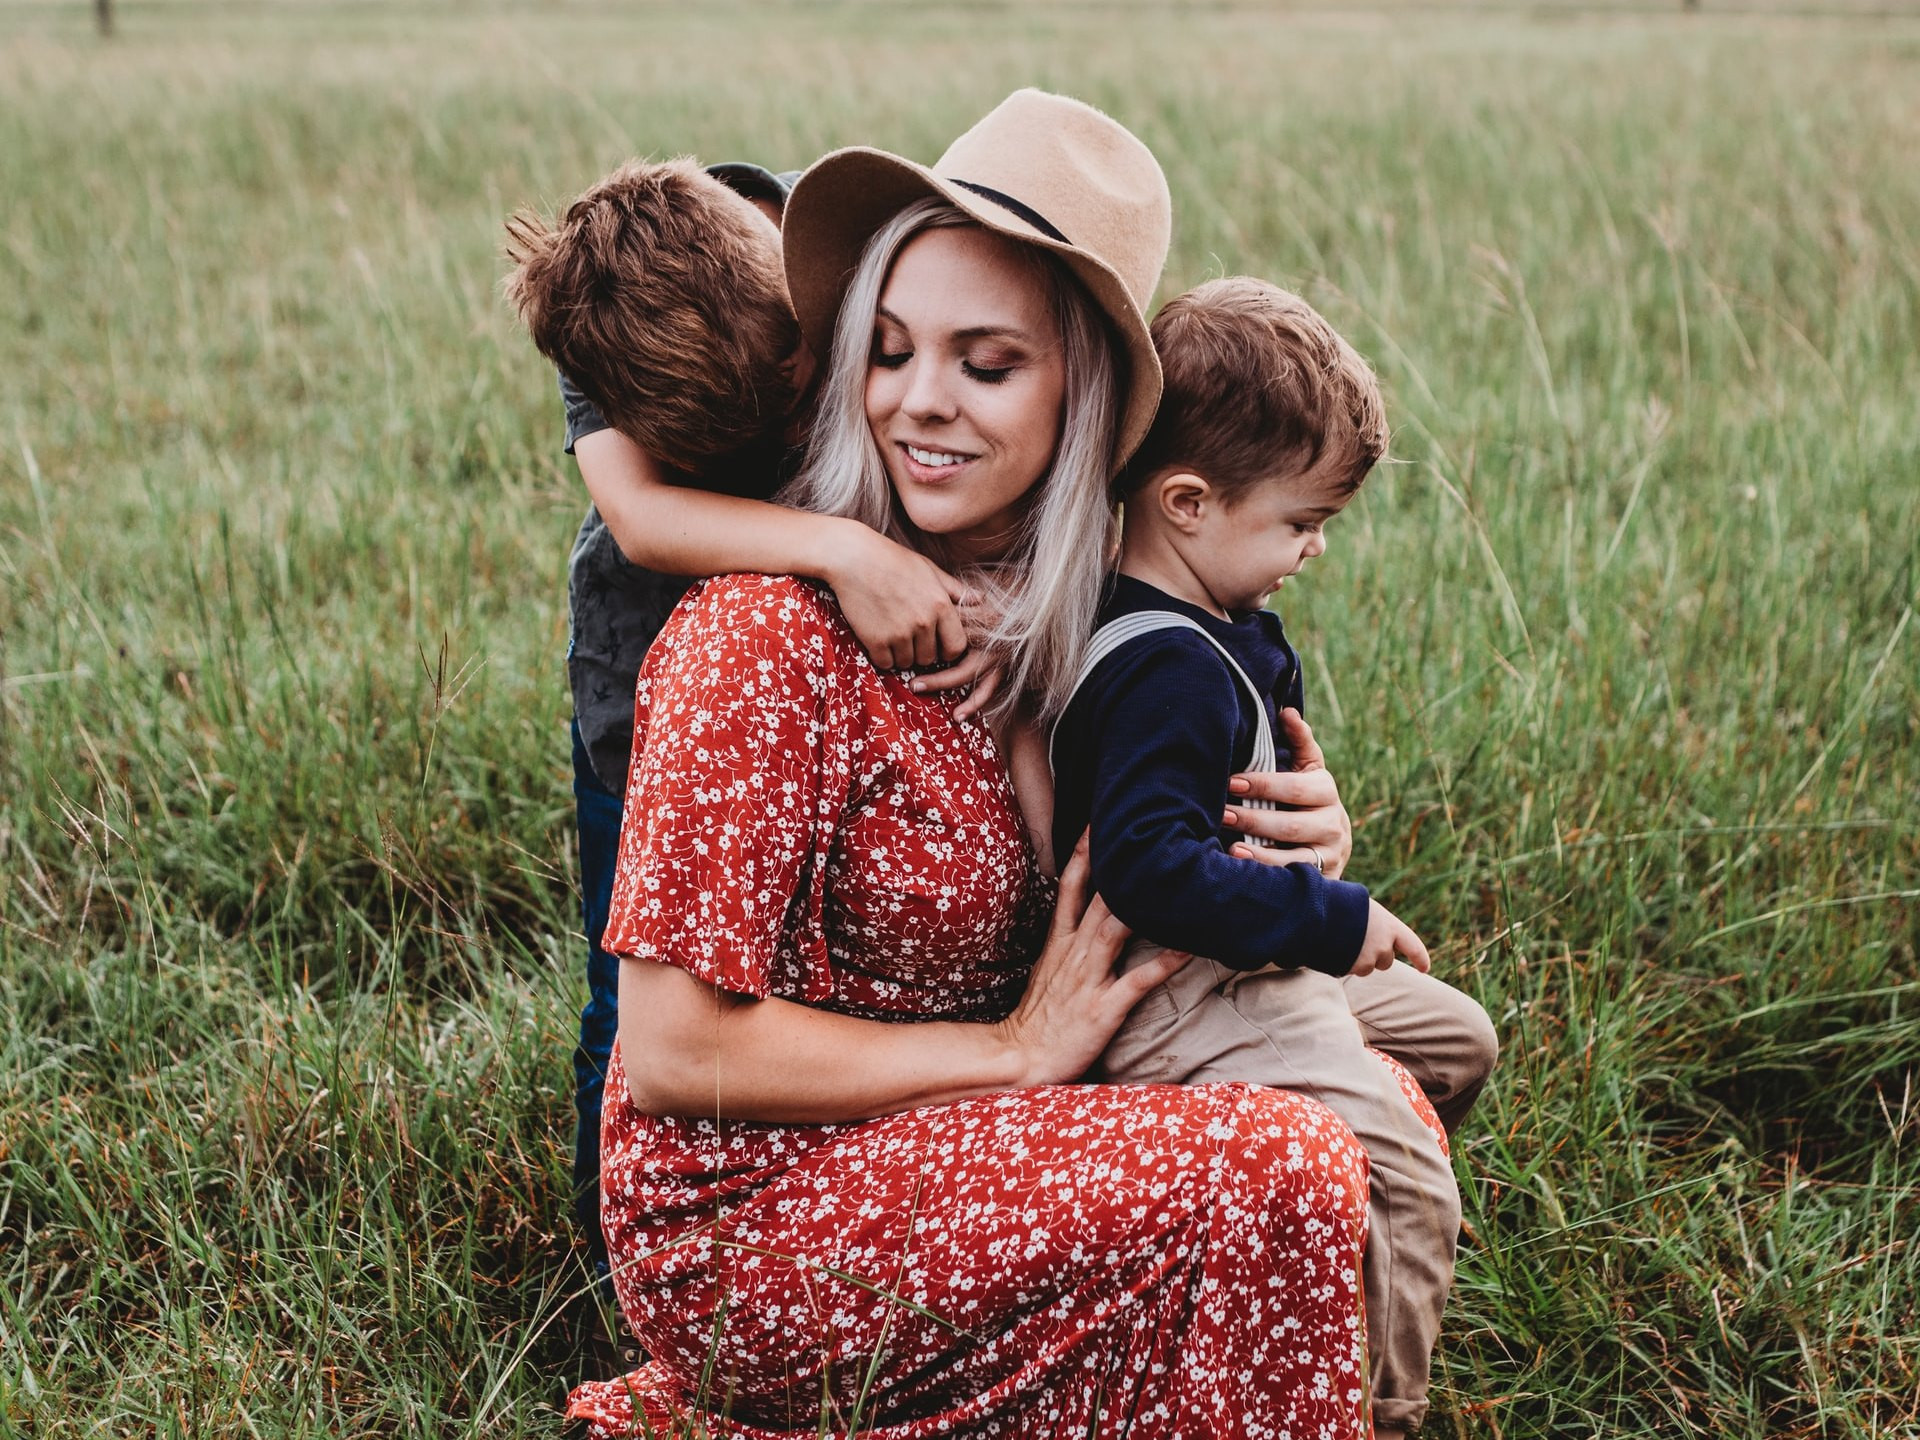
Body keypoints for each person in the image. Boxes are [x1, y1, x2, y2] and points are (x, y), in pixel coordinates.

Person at [564, 90, 1383, 1438]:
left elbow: (1151, 878)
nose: (919, 403)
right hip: (761, 1221)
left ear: (1089, 400)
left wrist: (1295, 837)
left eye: (986, 365)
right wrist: (1007, 1054)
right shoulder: (759, 633)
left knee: (1363, 1089)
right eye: (886, 352)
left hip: (958, 1150)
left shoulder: (1078, 627)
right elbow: (671, 1054)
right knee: (1285, 1164)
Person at [504, 157, 992, 1305]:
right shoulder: (609, 315)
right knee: (637, 983)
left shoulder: (790, 238)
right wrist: (840, 549)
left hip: (825, 671)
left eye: (804, 377)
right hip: (643, 670)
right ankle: (617, 1261)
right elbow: (639, 512)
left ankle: (810, 1168)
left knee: (819, 945)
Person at [1048, 276, 1500, 1439]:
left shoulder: (1215, 629)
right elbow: (1150, 869)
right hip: (1181, 989)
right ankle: (1377, 1410)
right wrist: (1332, 920)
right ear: (1189, 503)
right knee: (1412, 1172)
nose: (1313, 551)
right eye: (1301, 524)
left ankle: (1315, 1230)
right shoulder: (1166, 670)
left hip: (1244, 961)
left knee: (1461, 1039)